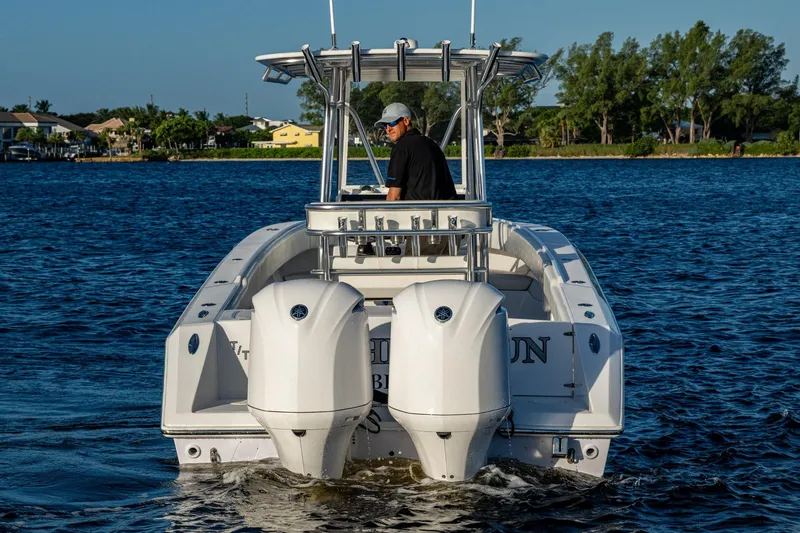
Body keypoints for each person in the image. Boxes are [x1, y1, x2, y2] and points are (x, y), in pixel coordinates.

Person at [375, 103, 457, 255]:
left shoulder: (401, 148)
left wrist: (384, 230)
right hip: (451, 228)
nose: (388, 129)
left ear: (406, 121)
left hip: (425, 229)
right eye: (385, 125)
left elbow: (394, 196)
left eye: (392, 123)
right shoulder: (432, 144)